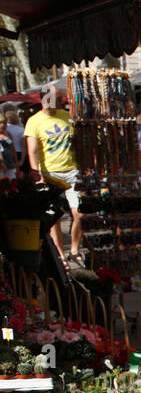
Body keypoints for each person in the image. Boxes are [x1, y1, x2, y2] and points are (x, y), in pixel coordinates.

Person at [25, 86, 83, 262]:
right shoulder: (34, 121)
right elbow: (32, 152)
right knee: (54, 216)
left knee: (80, 212)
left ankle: (74, 248)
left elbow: (79, 143)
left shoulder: (67, 117)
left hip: (72, 170)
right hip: (50, 173)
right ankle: (60, 254)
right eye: (58, 99)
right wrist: (38, 177)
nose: (61, 102)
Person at [3, 105, 25, 178]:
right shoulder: (21, 129)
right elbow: (24, 146)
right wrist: (21, 160)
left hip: (10, 156)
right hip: (18, 154)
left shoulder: (7, 131)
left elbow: (13, 146)